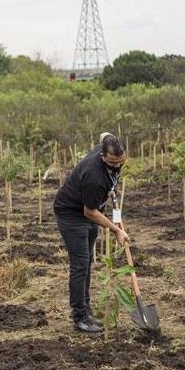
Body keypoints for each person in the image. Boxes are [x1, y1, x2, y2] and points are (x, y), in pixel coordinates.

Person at [53, 133, 130, 333]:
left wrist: (112, 191)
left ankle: (86, 310)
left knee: (87, 262)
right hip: (72, 213)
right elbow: (90, 212)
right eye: (112, 163)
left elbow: (105, 134)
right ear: (102, 156)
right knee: (80, 264)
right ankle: (79, 316)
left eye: (120, 162)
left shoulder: (108, 145)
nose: (116, 166)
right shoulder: (94, 176)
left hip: (89, 210)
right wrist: (115, 230)